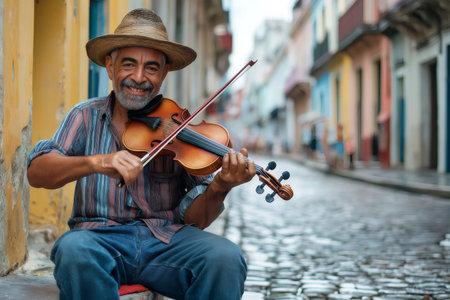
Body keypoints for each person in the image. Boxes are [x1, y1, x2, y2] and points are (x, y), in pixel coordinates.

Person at [27, 8, 256, 300]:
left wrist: (220, 187)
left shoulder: (179, 128)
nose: (138, 77)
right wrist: (97, 162)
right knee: (73, 249)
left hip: (167, 242)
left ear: (163, 74)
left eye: (151, 68)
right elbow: (37, 172)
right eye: (128, 64)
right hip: (98, 240)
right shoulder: (84, 116)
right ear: (110, 67)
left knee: (225, 258)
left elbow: (197, 219)